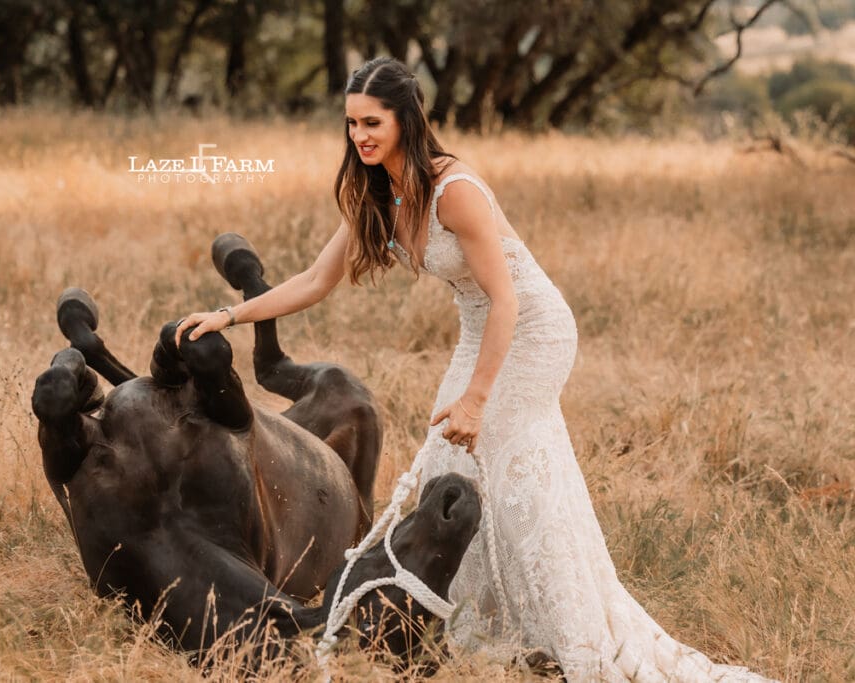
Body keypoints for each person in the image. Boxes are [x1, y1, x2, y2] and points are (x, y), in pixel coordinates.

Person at [175, 57, 774, 682]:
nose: (360, 137)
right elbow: (315, 280)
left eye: (372, 122)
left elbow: (508, 300)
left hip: (531, 330)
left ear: (406, 118)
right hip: (478, 329)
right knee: (448, 467)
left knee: (515, 475)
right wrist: (229, 314)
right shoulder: (381, 191)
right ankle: (468, 626)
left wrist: (478, 401)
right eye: (351, 124)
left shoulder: (453, 191)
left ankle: (581, 647)